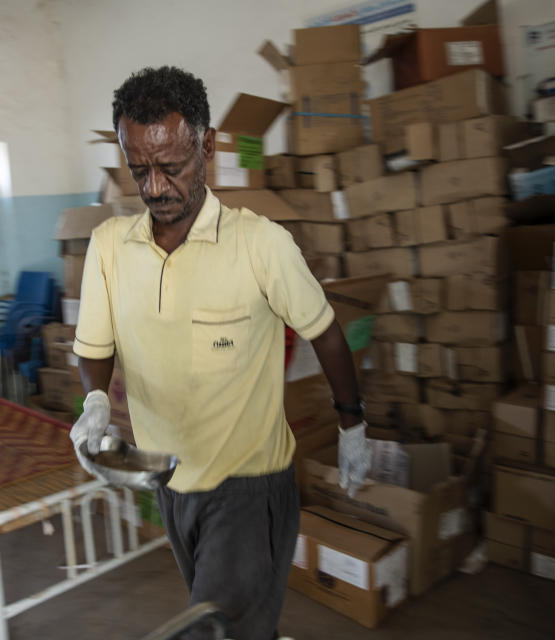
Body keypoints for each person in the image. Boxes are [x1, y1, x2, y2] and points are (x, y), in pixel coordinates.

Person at [69, 66, 368, 640]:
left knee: (216, 625)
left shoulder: (260, 245)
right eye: (139, 171)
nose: (155, 187)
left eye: (171, 167)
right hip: (170, 481)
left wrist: (351, 422)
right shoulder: (110, 248)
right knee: (228, 617)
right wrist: (94, 403)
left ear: (205, 146)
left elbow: (325, 333)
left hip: (250, 484)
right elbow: (95, 346)